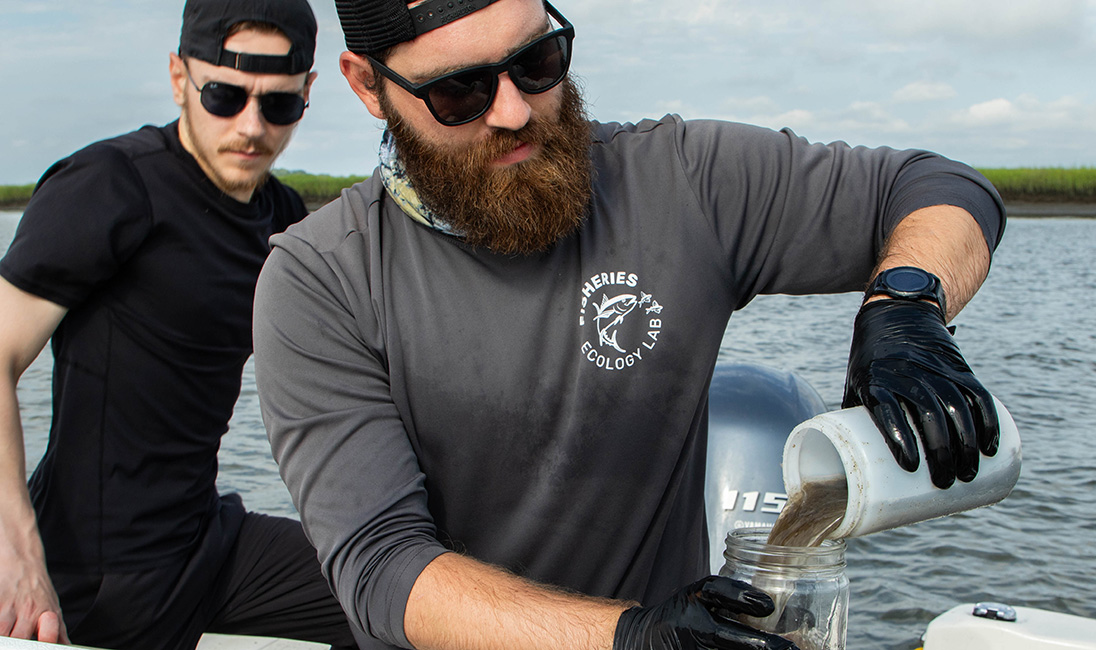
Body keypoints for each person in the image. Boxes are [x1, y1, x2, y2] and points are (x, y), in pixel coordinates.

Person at [251, 1, 1007, 649]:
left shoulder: (680, 182)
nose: (513, 111)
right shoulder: (321, 280)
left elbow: (933, 185)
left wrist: (906, 307)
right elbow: (383, 567)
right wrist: (633, 635)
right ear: (367, 86)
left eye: (537, 60)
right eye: (460, 92)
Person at [0, 1, 374, 648]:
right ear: (180, 78)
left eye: (279, 104)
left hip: (206, 539)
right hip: (92, 572)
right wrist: (19, 558)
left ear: (310, 92)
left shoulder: (280, 216)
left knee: (400, 597)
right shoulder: (110, 185)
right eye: (225, 96)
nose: (252, 127)